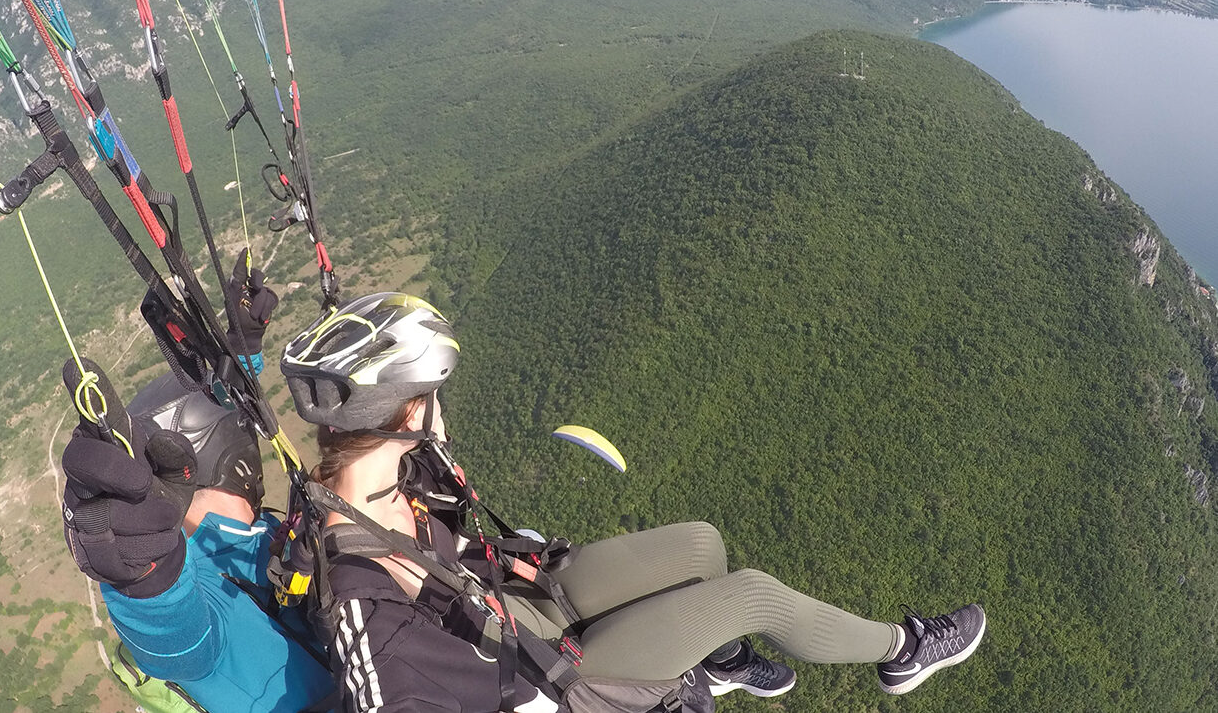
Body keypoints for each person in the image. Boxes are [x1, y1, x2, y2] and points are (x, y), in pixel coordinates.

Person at [280, 292, 987, 712]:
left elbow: (438, 562)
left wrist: (489, 560)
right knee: (753, 595)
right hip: (551, 679)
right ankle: (906, 650)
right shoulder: (359, 601)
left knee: (702, 545)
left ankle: (720, 660)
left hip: (520, 605)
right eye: (432, 397)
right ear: (402, 415)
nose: (441, 410)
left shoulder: (382, 484)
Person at [58, 262, 332, 713]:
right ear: (236, 460)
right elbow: (180, 642)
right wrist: (141, 575)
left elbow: (226, 410)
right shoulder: (192, 579)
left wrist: (241, 357)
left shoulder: (258, 537)